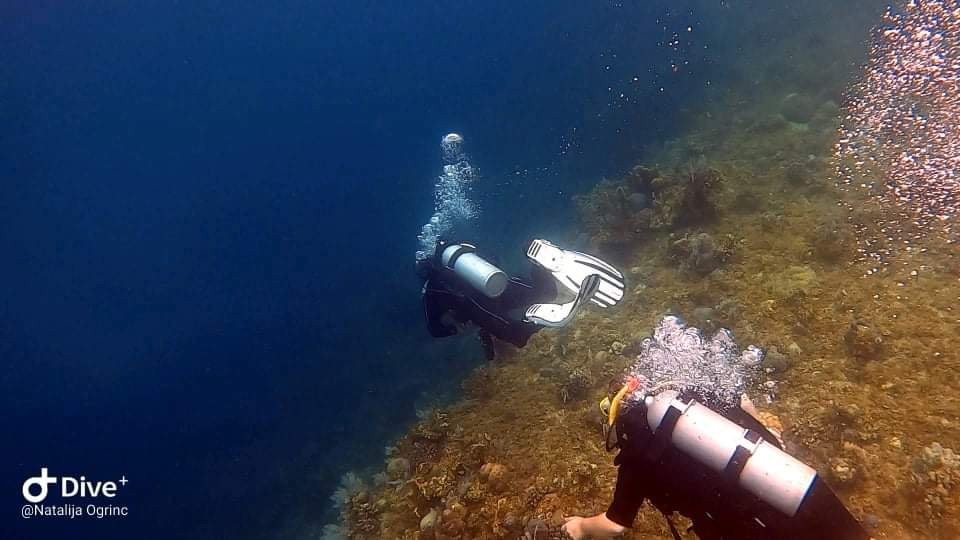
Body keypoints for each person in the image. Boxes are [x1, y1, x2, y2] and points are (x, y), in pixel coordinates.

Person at [561, 377, 871, 540]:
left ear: (616, 414)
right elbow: (743, 401)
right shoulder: (695, 395)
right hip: (796, 482)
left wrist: (581, 527)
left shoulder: (637, 451)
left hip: (757, 527)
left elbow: (614, 525)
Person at [417, 238, 625, 358]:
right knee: (543, 293)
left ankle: (538, 320)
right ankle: (539, 265)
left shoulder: (431, 289)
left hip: (477, 304)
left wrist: (455, 328)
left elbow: (436, 329)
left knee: (517, 335)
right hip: (499, 281)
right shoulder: (462, 250)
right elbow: (492, 257)